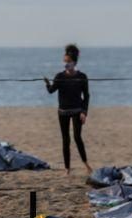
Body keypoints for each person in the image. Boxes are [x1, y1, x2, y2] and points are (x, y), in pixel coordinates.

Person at [45, 44, 93, 176]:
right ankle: (67, 169)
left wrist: (84, 112)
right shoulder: (59, 76)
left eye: (68, 62)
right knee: (65, 139)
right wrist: (47, 83)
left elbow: (87, 95)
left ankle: (86, 164)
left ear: (74, 62)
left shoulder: (82, 76)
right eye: (65, 62)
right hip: (63, 111)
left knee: (77, 137)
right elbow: (51, 91)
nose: (66, 64)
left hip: (77, 110)